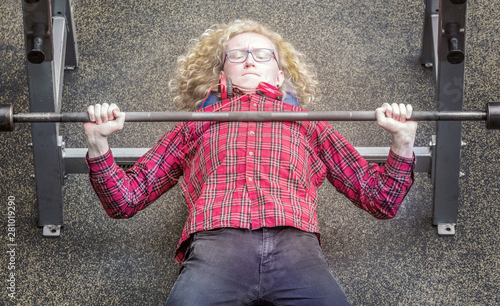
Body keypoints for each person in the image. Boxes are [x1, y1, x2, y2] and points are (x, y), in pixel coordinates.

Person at [84, 20, 418, 306]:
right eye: (237, 54)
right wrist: (98, 143)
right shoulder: (197, 123)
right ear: (221, 72)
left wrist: (402, 140)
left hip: (296, 248)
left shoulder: (307, 122)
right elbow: (125, 200)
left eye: (262, 54)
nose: (249, 61)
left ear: (279, 76)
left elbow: (381, 201)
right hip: (217, 246)